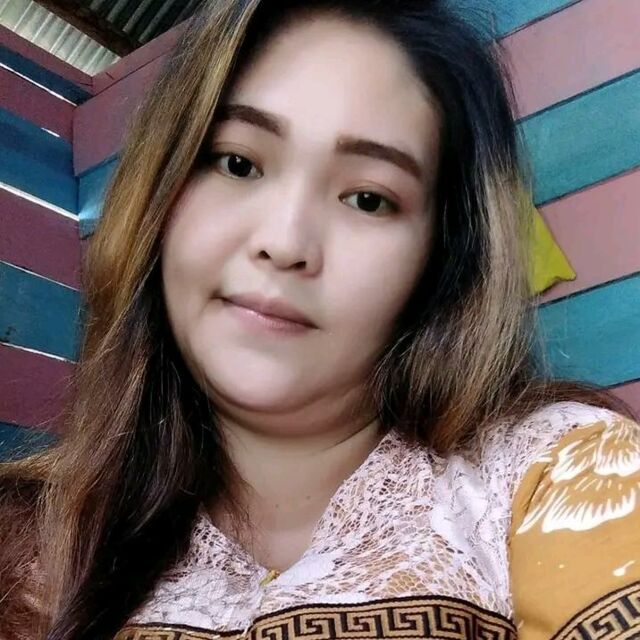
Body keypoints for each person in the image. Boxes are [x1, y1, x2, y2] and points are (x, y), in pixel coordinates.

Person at [1, 1, 638, 638]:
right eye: (238, 163)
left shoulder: (561, 469)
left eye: (368, 199)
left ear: (441, 259)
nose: (285, 243)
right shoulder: (25, 539)